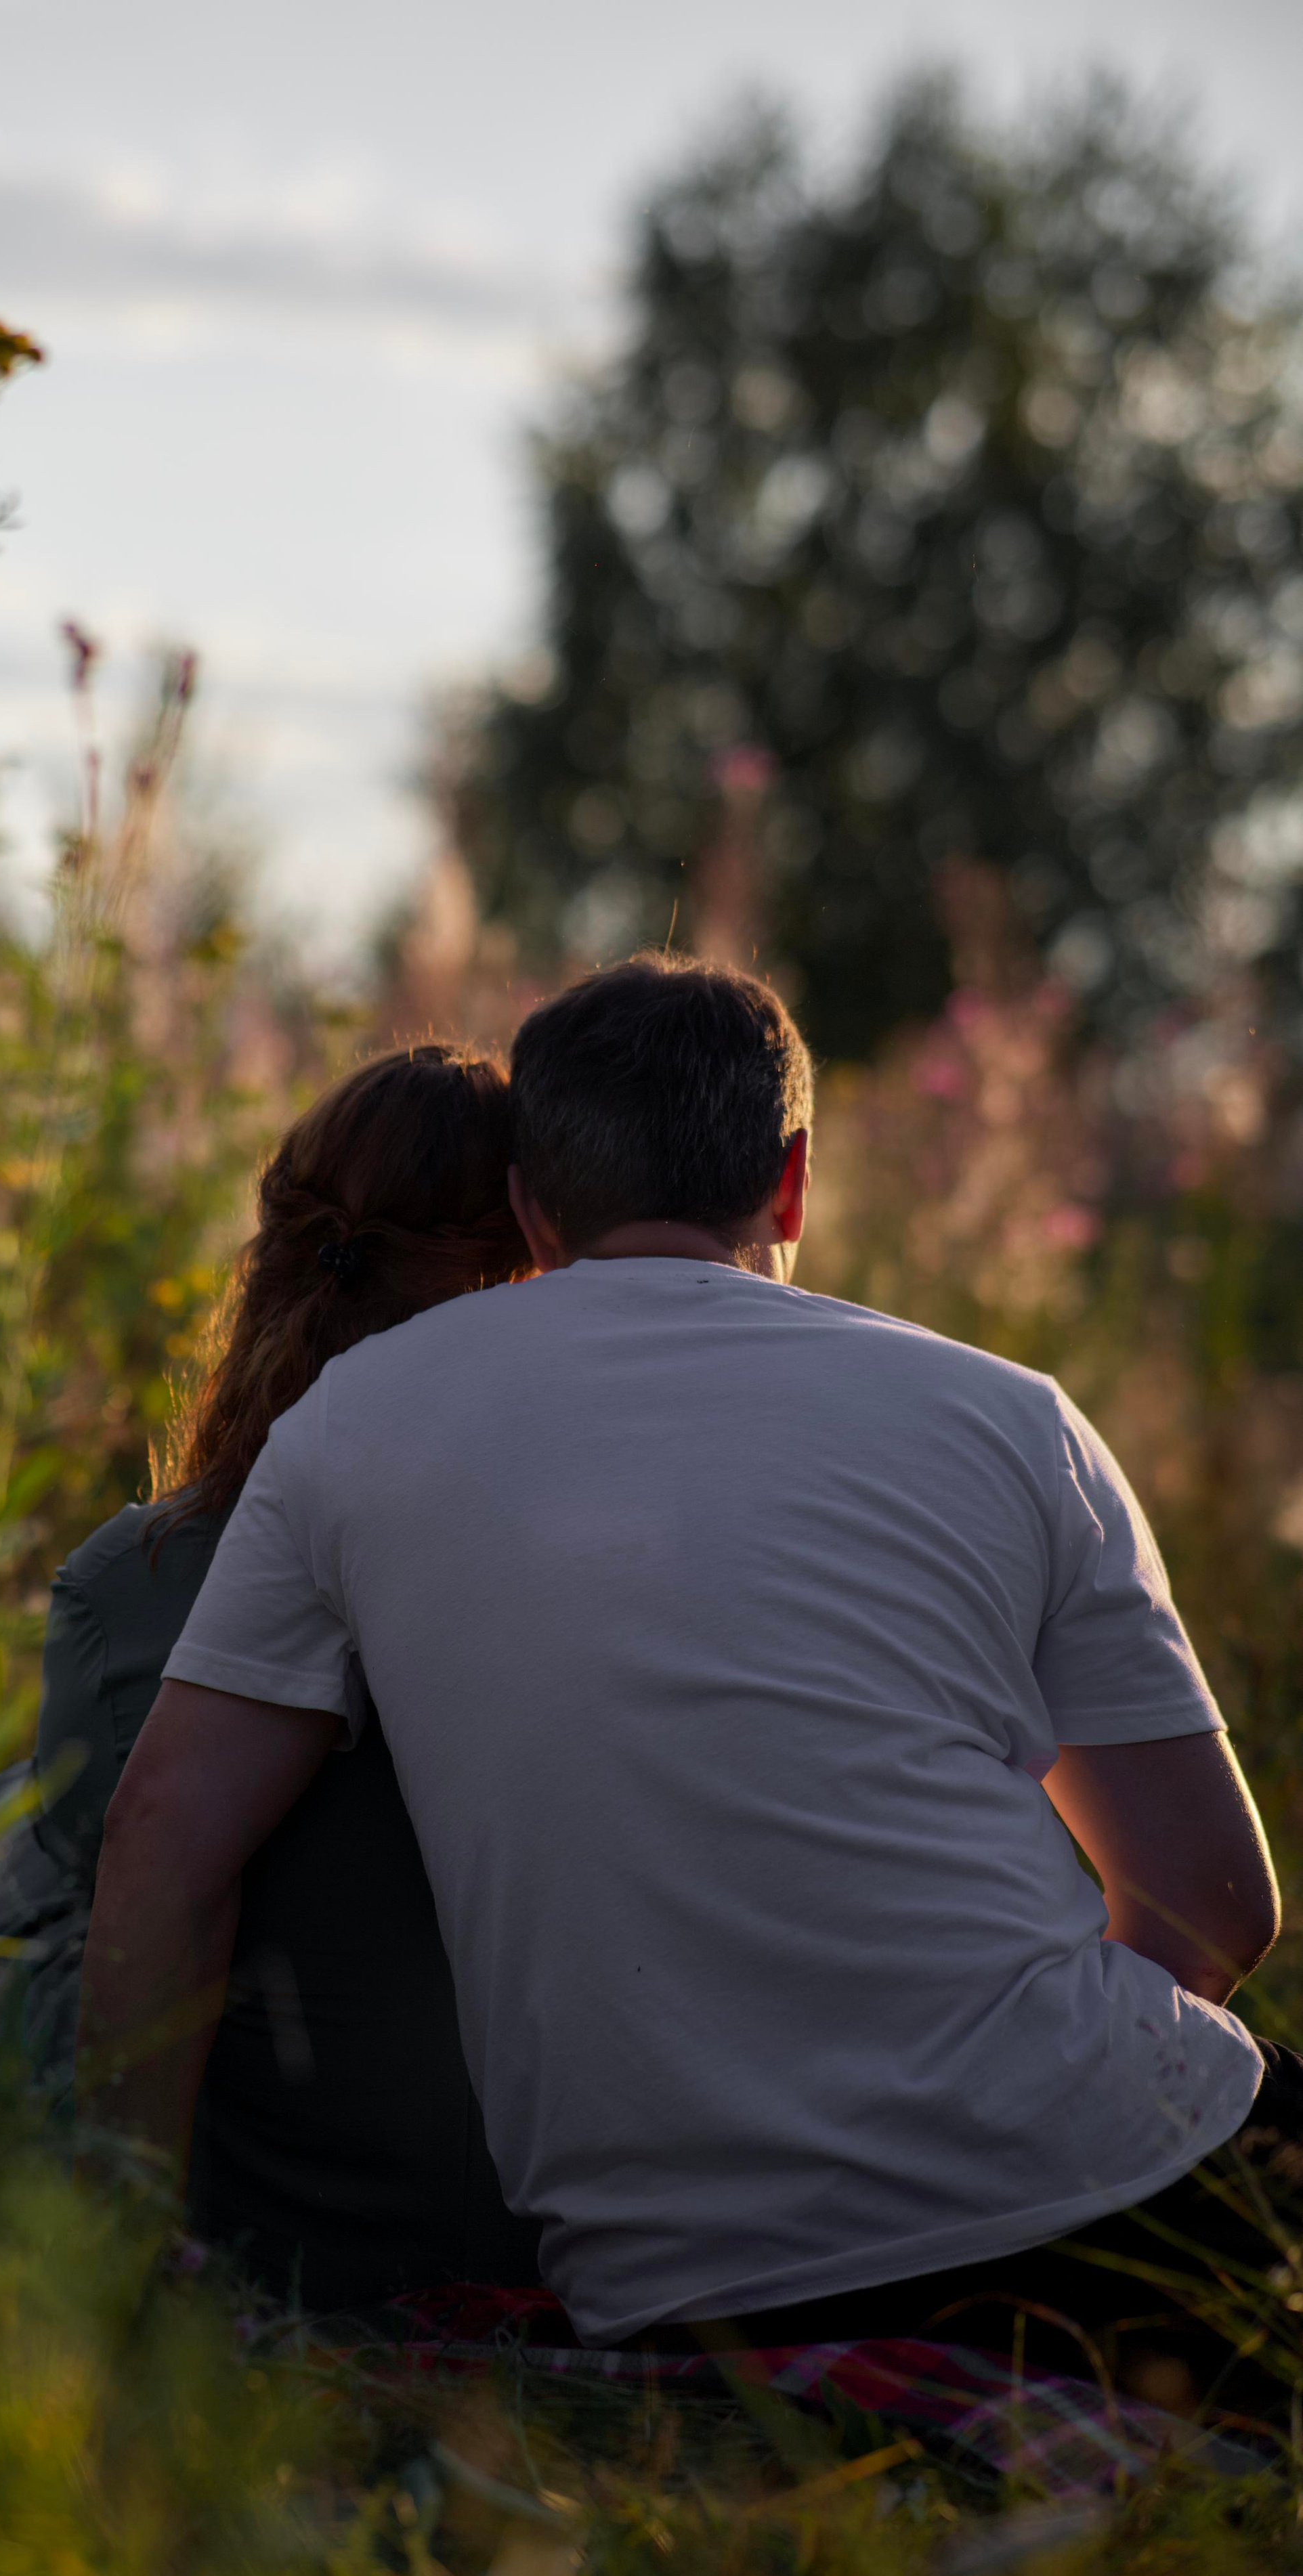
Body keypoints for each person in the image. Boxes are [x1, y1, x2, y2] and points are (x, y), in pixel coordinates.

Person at [82, 952, 1289, 2405]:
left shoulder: (349, 1424)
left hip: (674, 2285)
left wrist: (128, 2257)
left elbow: (159, 1846)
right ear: (788, 1188)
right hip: (1104, 2192)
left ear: (533, 1206)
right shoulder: (1006, 1416)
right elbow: (1213, 1908)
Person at [0, 1041, 540, 2308]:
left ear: (277, 1256)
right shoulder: (614, 1570)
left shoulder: (143, 1577)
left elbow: (111, 1865)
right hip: (567, 2223)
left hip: (286, 2228)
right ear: (537, 1267)